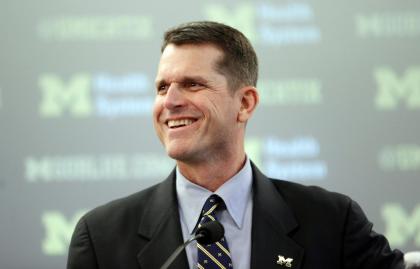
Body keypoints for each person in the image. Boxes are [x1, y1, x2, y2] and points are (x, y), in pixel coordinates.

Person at [67, 21, 404, 269]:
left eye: (192, 84)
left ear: (245, 104)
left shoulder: (332, 222)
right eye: (161, 87)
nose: (169, 102)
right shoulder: (101, 238)